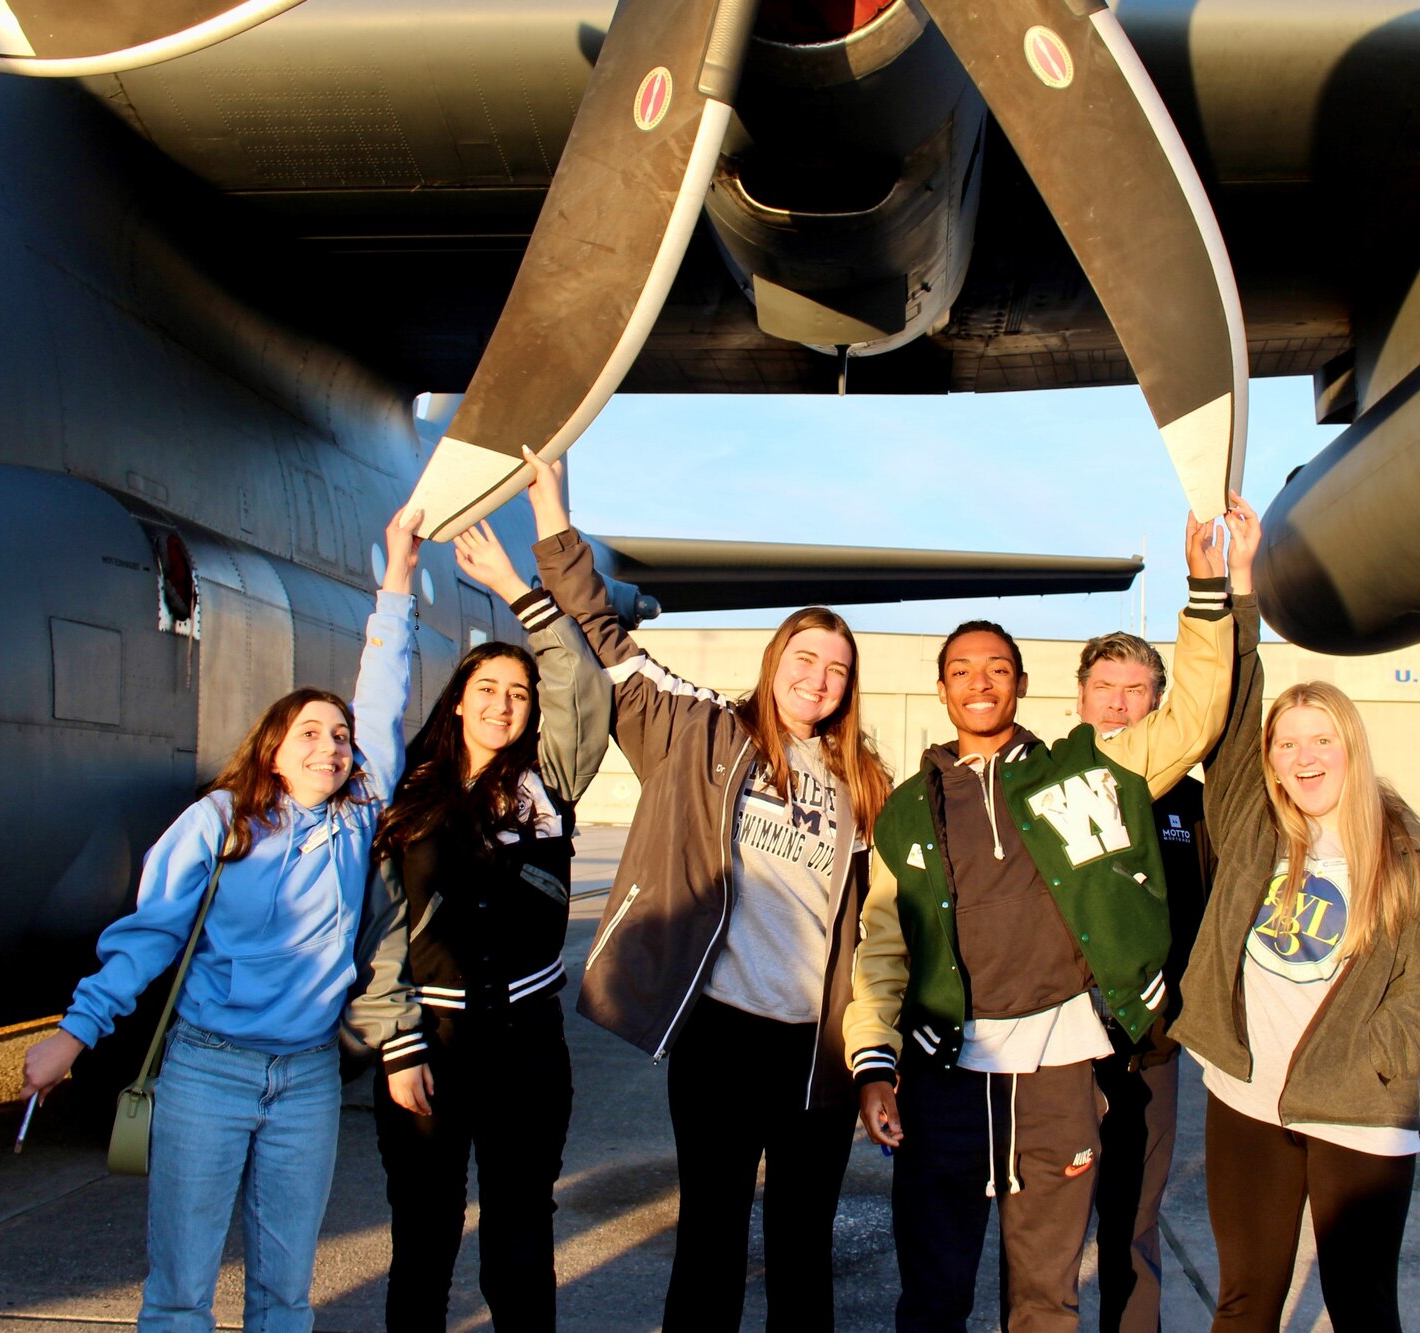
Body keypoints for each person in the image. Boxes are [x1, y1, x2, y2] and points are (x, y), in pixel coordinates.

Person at [19, 504, 425, 1333]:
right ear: (272, 746)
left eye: (340, 737)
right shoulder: (218, 821)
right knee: (180, 1288)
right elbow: (148, 938)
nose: (331, 746)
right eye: (309, 732)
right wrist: (74, 1032)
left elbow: (383, 690)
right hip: (207, 1072)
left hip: (307, 1078)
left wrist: (398, 580)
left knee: (284, 1291)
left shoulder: (355, 821)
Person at [846, 500, 1249, 1333]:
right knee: (933, 1292)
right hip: (943, 1068)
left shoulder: (1091, 767)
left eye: (997, 667)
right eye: (963, 669)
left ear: (1023, 684)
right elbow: (883, 944)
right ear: (943, 687)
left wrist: (1207, 590)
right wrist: (874, 1062)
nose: (981, 681)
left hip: (1060, 1072)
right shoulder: (905, 812)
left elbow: (1196, 715)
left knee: (1045, 1296)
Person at [523, 450, 893, 1331]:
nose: (819, 678)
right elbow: (607, 640)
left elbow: (884, 923)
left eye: (837, 668)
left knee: (803, 1251)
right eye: (806, 658)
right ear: (775, 662)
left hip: (819, 1049)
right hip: (723, 1035)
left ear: (849, 685)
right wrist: (549, 514)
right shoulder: (701, 731)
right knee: (712, 1243)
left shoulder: (867, 784)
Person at [1169, 571, 1420, 1332]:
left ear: (1351, 749)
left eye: (1322, 741)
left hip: (1359, 1112)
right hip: (1245, 1101)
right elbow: (1237, 701)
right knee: (1245, 1299)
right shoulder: (1252, 826)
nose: (1304, 759)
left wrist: (1371, 1053)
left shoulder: (1409, 856)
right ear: (1269, 761)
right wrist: (1232, 587)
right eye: (1287, 744)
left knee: (1362, 1305)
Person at [344, 499, 611, 1333]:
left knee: (520, 1245)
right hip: (428, 1044)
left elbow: (585, 689)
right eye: (487, 689)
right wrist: (394, 1043)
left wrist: (511, 586)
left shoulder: (548, 785)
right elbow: (381, 933)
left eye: (519, 694)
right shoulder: (404, 793)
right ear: (458, 700)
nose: (504, 704)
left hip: (527, 1048)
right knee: (423, 1244)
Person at [1075, 631, 1214, 1333]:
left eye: (1137, 691)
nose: (1121, 704)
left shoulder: (1192, 802)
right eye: (1107, 688)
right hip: (1058, 1046)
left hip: (1152, 1047)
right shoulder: (1045, 785)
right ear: (1081, 697)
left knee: (1134, 1219)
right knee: (1045, 1223)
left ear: (1157, 702)